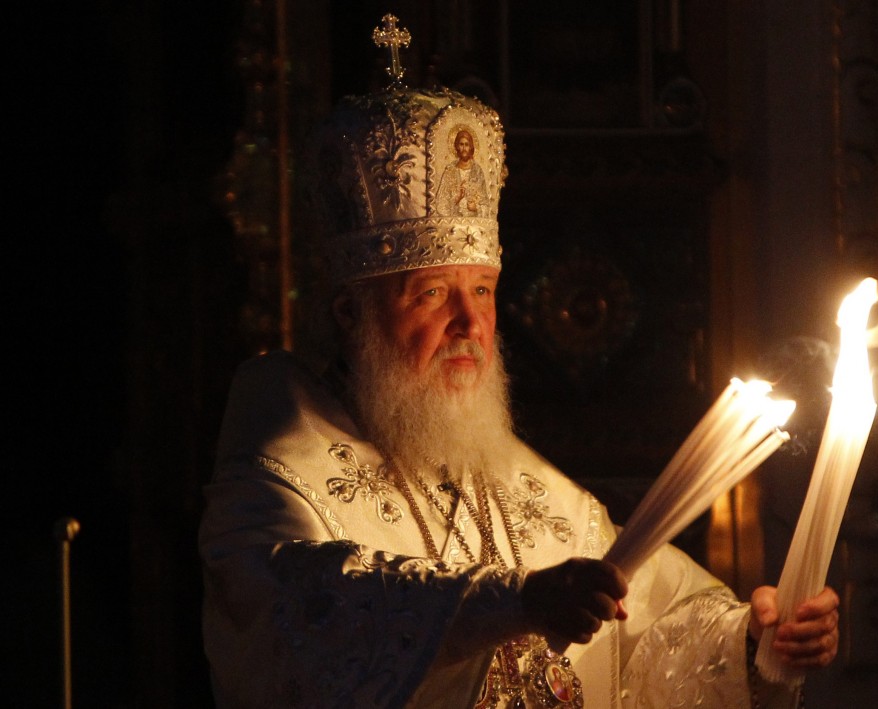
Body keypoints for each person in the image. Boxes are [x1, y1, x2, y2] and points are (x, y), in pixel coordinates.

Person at [199, 16, 839, 708]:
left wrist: (751, 643)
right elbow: (306, 616)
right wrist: (515, 601)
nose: (470, 323)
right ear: (351, 314)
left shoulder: (526, 488)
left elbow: (650, 633)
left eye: (482, 290)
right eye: (433, 293)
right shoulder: (279, 470)